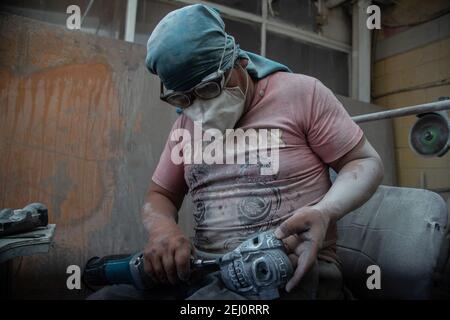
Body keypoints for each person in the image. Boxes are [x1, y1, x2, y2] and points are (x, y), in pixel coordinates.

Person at [89, 3, 384, 300]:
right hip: (206, 271)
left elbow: (363, 161)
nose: (199, 107)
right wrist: (163, 229)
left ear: (239, 62)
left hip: (292, 268)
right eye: (184, 97)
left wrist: (324, 212)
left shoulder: (302, 94)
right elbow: (161, 195)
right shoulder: (185, 125)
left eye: (208, 88)